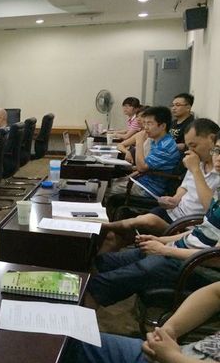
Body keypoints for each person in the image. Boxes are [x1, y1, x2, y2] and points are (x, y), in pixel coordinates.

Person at [87, 131, 220, 308]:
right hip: (180, 246)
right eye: (217, 151)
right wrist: (162, 240)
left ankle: (77, 318)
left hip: (195, 265)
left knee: (100, 284)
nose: (218, 158)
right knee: (101, 262)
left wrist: (164, 250)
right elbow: (202, 232)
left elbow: (215, 257)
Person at [60, 281, 220, 363]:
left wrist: (173, 359)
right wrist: (168, 331)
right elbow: (215, 293)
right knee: (65, 344)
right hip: (177, 359)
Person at [101, 118, 220, 252]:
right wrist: (175, 198)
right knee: (113, 237)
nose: (191, 151)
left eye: (194, 145)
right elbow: (185, 186)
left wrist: (196, 170)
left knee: (146, 221)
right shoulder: (199, 161)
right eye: (189, 147)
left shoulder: (209, 168)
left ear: (212, 139)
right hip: (173, 211)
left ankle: (103, 226)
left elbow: (212, 209)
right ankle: (96, 251)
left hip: (186, 223)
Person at [108, 106, 181, 199]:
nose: (145, 128)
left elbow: (141, 168)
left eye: (149, 124)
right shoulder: (158, 140)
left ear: (162, 126)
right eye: (145, 123)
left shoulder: (165, 146)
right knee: (108, 182)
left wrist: (139, 141)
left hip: (148, 189)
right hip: (141, 181)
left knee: (106, 189)